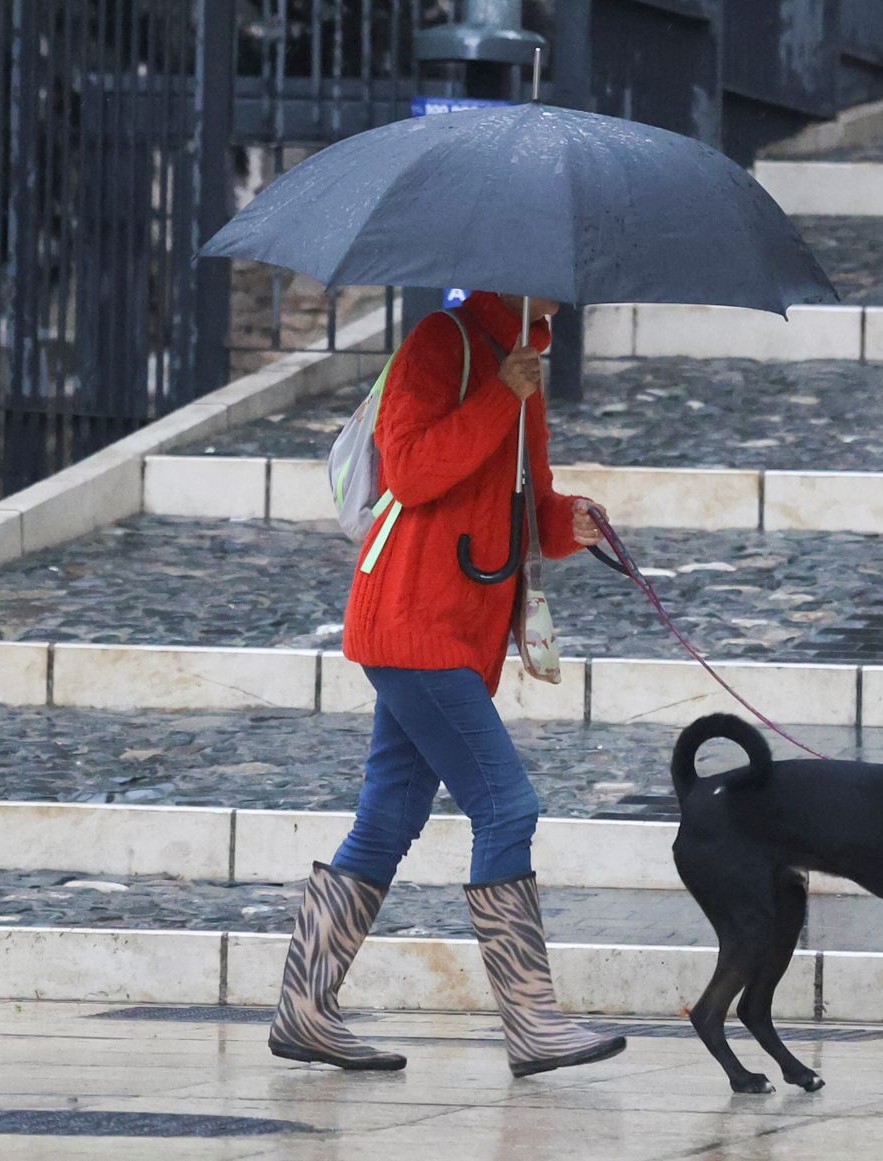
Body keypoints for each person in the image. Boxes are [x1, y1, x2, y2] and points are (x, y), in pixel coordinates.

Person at [268, 290, 624, 1077]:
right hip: (412, 620)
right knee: (507, 805)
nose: (567, 291)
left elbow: (518, 504)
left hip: (456, 630)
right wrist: (501, 392)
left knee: (388, 815)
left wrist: (571, 520)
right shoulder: (442, 340)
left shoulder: (524, 358)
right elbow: (413, 471)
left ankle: (305, 1009)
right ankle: (532, 1021)